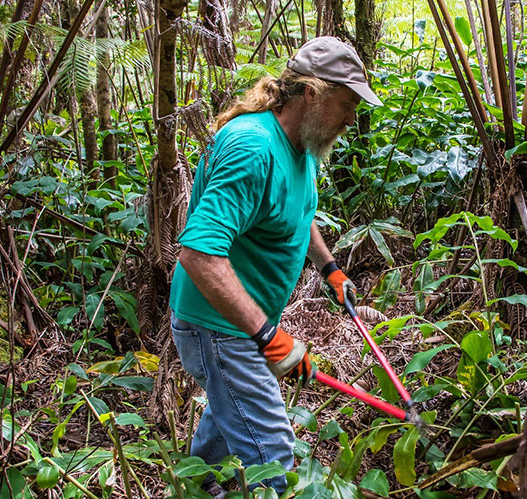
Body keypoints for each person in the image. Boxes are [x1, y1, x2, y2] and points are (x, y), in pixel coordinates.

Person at [168, 37, 382, 496]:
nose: (350, 120)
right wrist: (268, 335)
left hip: (241, 326)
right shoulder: (254, 148)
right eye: (345, 105)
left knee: (230, 424)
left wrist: (330, 269)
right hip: (217, 326)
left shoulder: (301, 147)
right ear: (311, 92)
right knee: (273, 461)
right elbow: (199, 253)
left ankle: (194, 486)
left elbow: (297, 215)